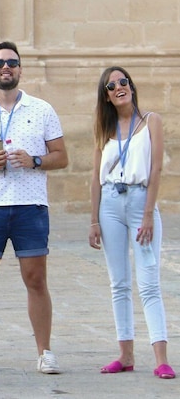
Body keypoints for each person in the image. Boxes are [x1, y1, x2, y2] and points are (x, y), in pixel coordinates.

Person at [0, 40, 68, 375]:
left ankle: (45, 351)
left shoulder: (42, 110)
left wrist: (34, 160)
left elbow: (61, 157)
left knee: (35, 279)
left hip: (29, 206)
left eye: (12, 63)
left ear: (20, 69)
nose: (6, 68)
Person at [89, 67, 175, 379]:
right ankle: (125, 355)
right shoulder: (104, 129)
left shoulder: (151, 121)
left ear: (131, 87)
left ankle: (161, 358)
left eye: (123, 82)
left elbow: (155, 171)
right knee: (119, 283)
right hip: (110, 203)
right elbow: (95, 179)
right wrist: (93, 221)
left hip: (141, 202)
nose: (119, 87)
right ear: (107, 96)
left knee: (149, 281)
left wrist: (149, 213)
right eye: (112, 86)